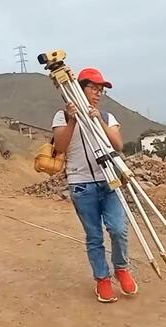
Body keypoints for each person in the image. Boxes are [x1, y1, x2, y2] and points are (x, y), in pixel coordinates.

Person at [52, 67, 136, 303]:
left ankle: (121, 268)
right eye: (94, 88)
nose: (98, 93)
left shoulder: (107, 117)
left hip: (109, 178)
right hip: (81, 183)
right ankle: (103, 279)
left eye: (101, 90)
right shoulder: (62, 115)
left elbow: (118, 144)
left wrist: (98, 119)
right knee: (94, 236)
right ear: (80, 88)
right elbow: (60, 147)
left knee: (118, 229)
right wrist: (72, 120)